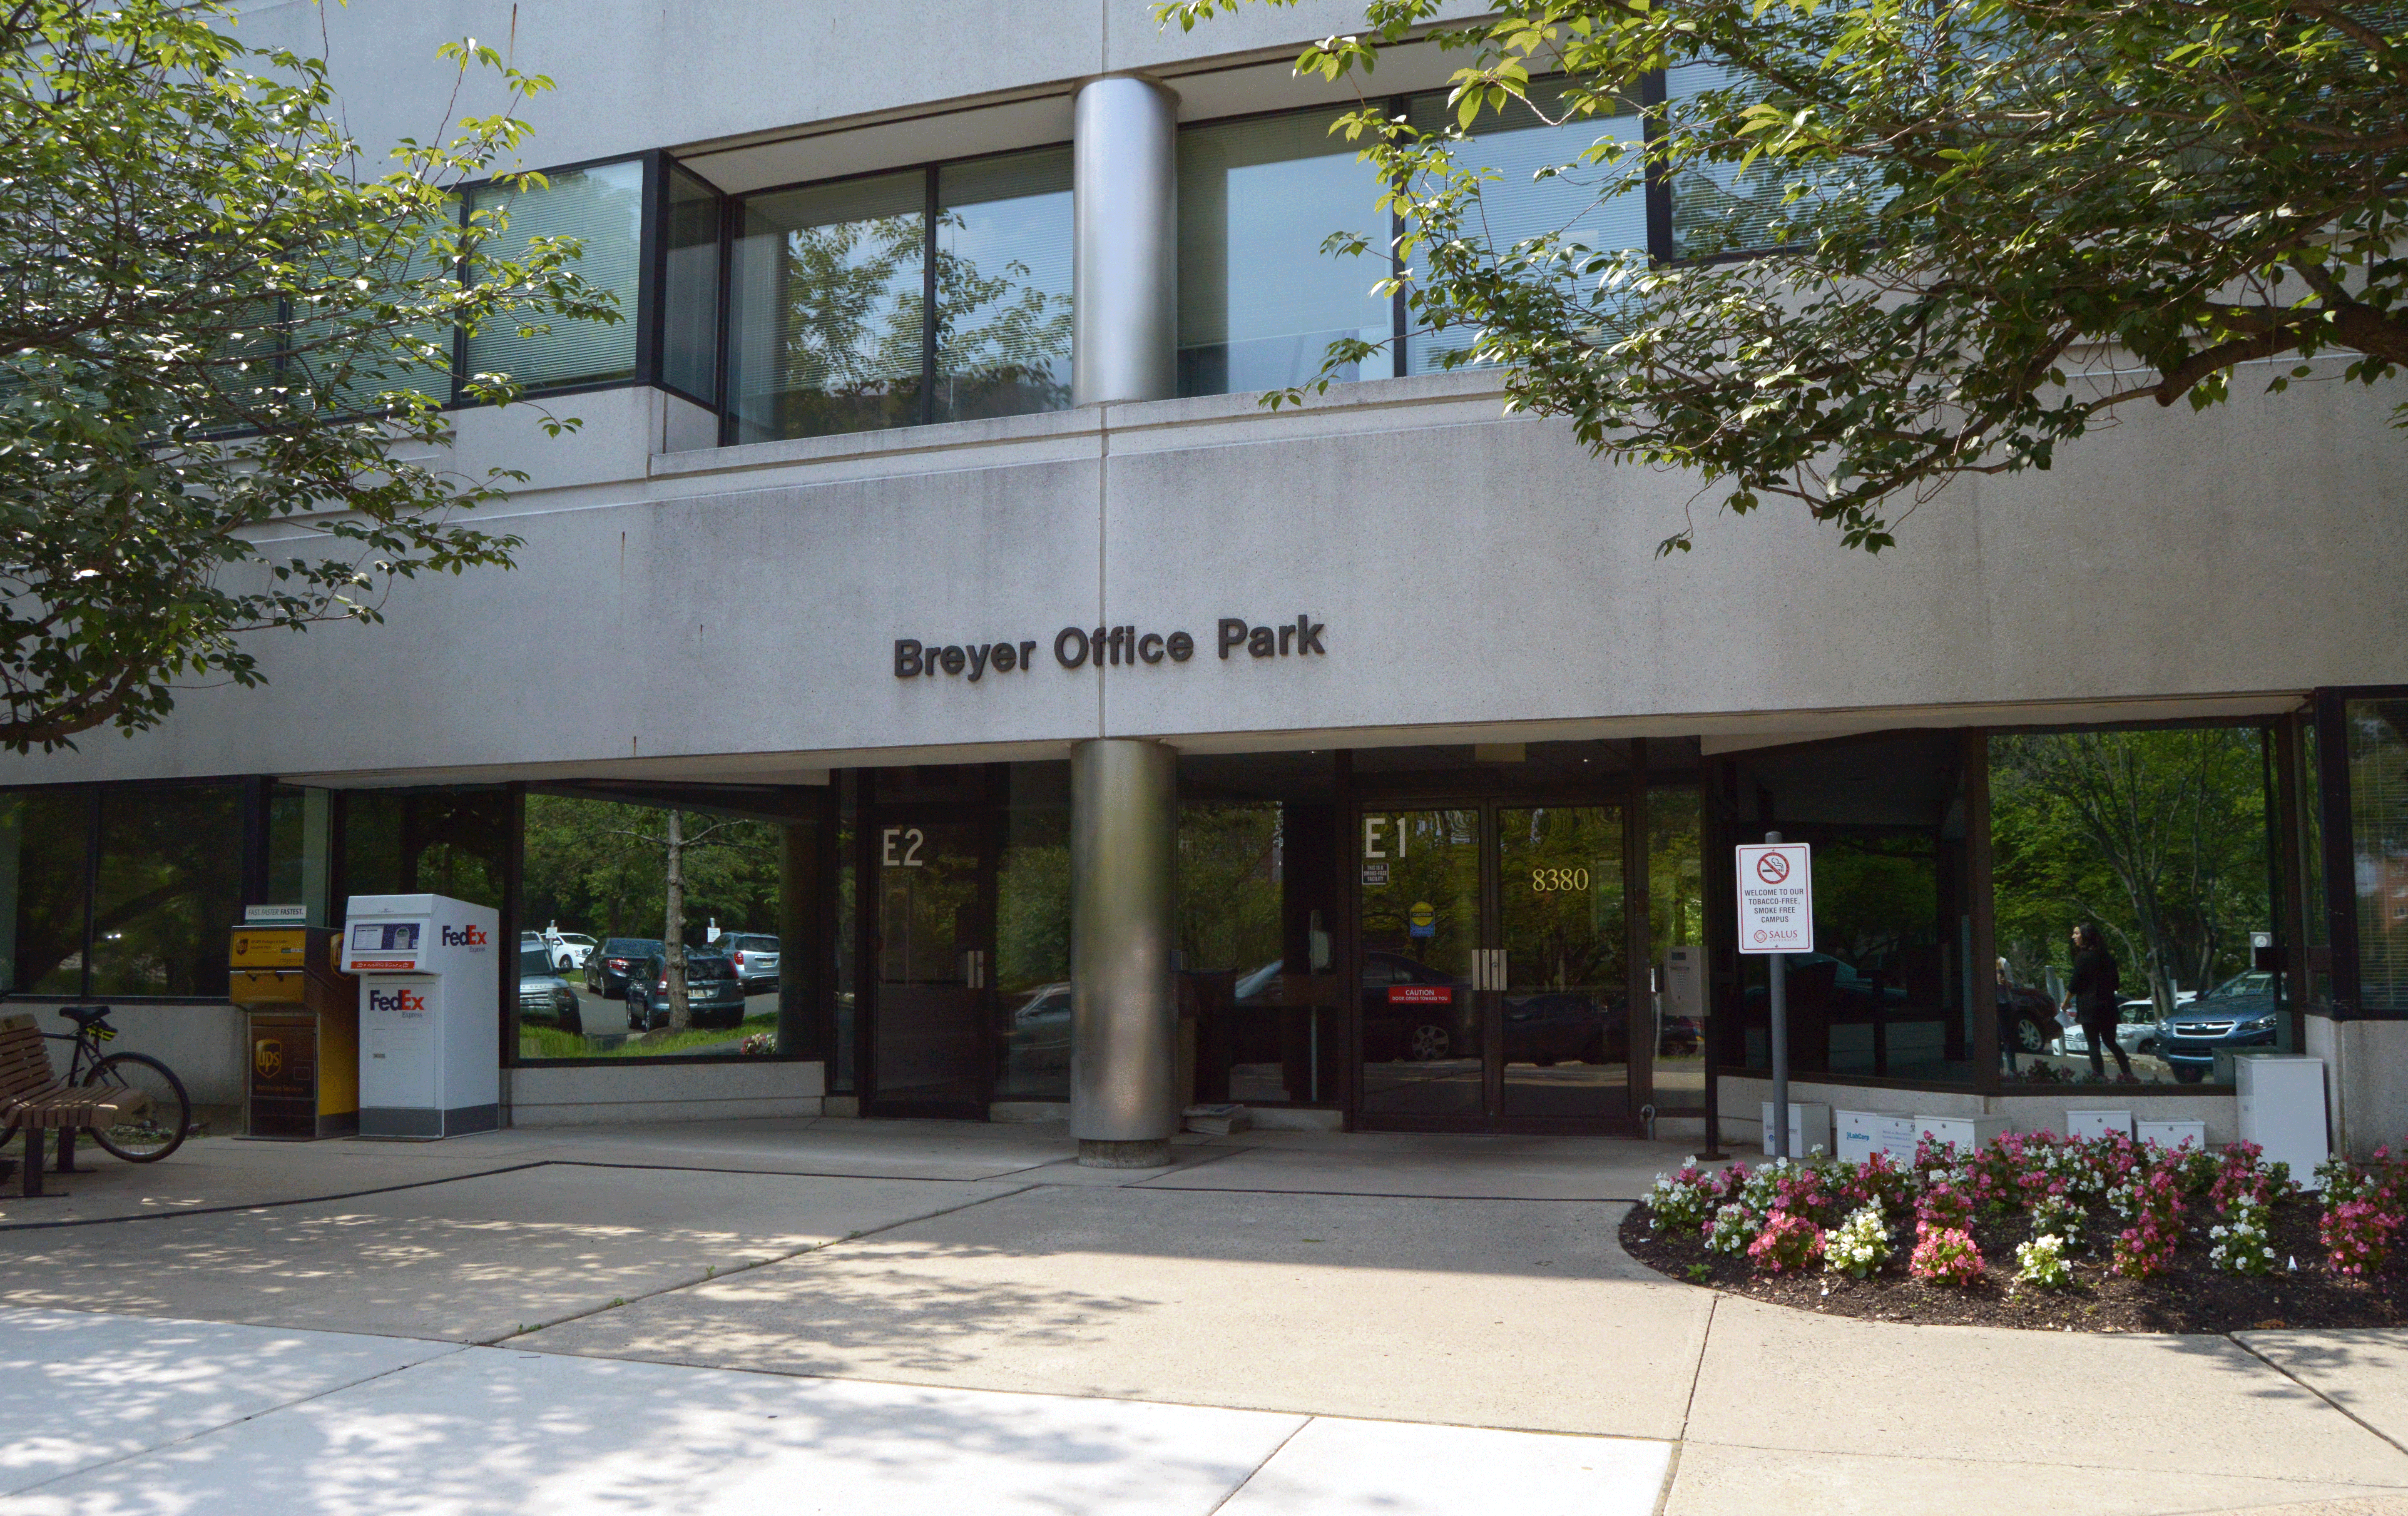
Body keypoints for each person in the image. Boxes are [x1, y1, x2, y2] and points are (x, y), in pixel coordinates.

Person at [2062, 924, 2133, 1080]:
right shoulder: (2107, 957)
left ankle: (2099, 1077)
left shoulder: (2082, 957)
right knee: (2110, 1042)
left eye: (2076, 934)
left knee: (2093, 1044)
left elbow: (2075, 984)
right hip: (2108, 1006)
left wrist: (2066, 1001)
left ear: (2085, 936)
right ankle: (2128, 1074)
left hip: (2089, 1007)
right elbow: (2116, 983)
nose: (2073, 937)